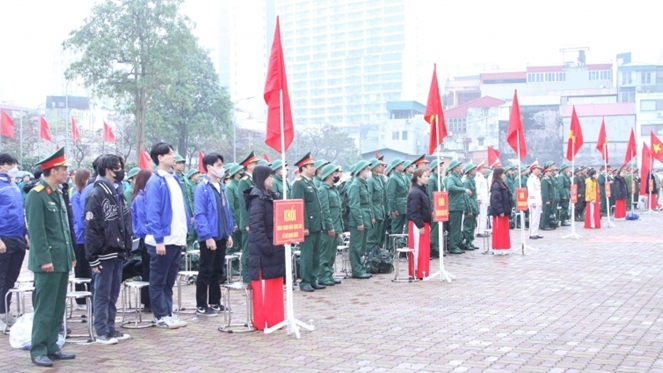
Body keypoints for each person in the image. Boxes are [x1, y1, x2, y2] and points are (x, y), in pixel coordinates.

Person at [24, 148, 77, 367]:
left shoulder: (56, 193)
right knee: (45, 307)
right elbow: (36, 232)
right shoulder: (36, 195)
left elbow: (64, 229)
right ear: (53, 171)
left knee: (57, 306)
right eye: (64, 169)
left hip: (62, 259)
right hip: (47, 261)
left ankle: (52, 345)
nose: (67, 172)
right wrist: (45, 259)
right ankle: (38, 349)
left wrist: (71, 255)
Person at [84, 154, 133, 344]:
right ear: (106, 169)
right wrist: (93, 257)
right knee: (102, 293)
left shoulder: (116, 191)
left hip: (118, 250)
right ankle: (102, 330)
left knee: (113, 293)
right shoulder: (96, 194)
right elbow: (91, 228)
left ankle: (111, 327)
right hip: (104, 253)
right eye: (117, 167)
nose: (120, 171)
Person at [144, 142, 188, 329]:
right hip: (162, 240)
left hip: (176, 238)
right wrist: (159, 239)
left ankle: (168, 312)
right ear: (160, 158)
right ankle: (160, 315)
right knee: (159, 279)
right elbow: (153, 212)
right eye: (169, 154)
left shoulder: (174, 178)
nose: (173, 157)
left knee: (170, 280)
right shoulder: (155, 181)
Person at [242, 165, 285, 330]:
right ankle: (264, 321)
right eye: (269, 177)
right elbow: (256, 227)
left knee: (275, 287)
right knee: (263, 288)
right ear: (261, 178)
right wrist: (267, 248)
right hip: (263, 251)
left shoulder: (272, 196)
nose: (272, 180)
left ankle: (276, 320)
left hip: (275, 247)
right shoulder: (257, 199)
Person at [194, 153, 234, 316]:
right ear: (209, 167)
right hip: (209, 236)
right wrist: (207, 236)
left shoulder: (221, 187)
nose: (221, 168)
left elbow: (226, 211)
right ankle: (201, 304)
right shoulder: (202, 188)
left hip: (222, 234)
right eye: (218, 165)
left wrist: (228, 232)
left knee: (217, 270)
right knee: (206, 270)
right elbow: (200, 214)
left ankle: (215, 301)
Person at [0, 153, 29, 329]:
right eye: (9, 164)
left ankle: (5, 311)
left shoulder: (14, 186)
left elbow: (19, 211)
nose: (13, 168)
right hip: (4, 237)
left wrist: (25, 233)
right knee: (1, 277)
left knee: (11, 277)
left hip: (18, 236)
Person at [291, 153, 326, 290]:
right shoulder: (299, 184)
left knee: (316, 254)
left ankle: (313, 279)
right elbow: (299, 206)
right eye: (311, 166)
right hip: (308, 225)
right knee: (307, 255)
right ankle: (305, 281)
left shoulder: (311, 182)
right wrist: (303, 226)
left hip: (316, 224)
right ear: (303, 167)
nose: (314, 168)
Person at [347, 160, 374, 279]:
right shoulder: (355, 185)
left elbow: (368, 202)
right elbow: (354, 205)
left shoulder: (364, 183)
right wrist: (359, 221)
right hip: (358, 219)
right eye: (367, 169)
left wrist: (371, 216)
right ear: (361, 171)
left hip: (366, 217)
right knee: (356, 246)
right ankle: (356, 270)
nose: (369, 171)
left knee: (362, 246)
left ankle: (361, 267)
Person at [318, 164, 343, 286]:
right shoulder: (323, 190)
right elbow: (325, 210)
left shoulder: (333, 189)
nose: (337, 175)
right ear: (329, 175)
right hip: (329, 227)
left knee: (332, 253)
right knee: (325, 253)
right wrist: (330, 226)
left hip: (336, 224)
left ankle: (329, 274)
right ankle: (323, 276)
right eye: (335, 173)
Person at [70, 168, 92, 310]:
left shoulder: (87, 193)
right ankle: (80, 299)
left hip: (88, 238)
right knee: (80, 269)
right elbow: (79, 218)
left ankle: (88, 296)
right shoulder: (76, 195)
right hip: (80, 238)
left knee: (89, 269)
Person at [131, 169, 152, 312]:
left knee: (150, 270)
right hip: (146, 239)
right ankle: (147, 301)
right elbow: (141, 222)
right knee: (148, 270)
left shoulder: (146, 196)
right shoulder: (140, 198)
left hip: (150, 238)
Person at [237, 152, 259, 284]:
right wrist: (246, 222)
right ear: (249, 165)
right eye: (255, 163)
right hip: (248, 222)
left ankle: (253, 277)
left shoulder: (254, 180)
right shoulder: (244, 182)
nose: (257, 166)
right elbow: (243, 204)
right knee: (247, 252)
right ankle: (247, 278)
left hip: (255, 221)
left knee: (254, 251)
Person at [406, 169, 431, 279]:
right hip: (417, 224)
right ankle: (416, 271)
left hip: (423, 223)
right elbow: (414, 211)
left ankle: (422, 271)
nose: (427, 178)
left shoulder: (422, 190)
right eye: (425, 176)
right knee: (417, 248)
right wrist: (420, 225)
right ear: (418, 178)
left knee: (423, 249)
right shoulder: (415, 192)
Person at [446, 160, 468, 254]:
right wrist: (463, 189)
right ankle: (453, 246)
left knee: (458, 227)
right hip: (454, 206)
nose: (460, 168)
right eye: (458, 166)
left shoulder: (457, 177)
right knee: (454, 227)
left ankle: (456, 245)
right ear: (454, 168)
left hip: (458, 205)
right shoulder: (451, 177)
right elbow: (450, 187)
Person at [489, 167, 512, 254]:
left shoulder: (502, 184)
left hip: (504, 210)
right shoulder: (496, 185)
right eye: (503, 173)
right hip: (499, 212)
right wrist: (500, 211)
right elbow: (495, 200)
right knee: (499, 230)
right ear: (499, 174)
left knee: (504, 230)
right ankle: (498, 248)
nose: (504, 175)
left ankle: (504, 247)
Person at [366, 159, 386, 259]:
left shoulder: (379, 179)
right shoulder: (370, 181)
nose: (381, 167)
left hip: (380, 211)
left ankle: (377, 257)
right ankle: (371, 258)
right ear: (373, 167)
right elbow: (369, 199)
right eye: (379, 166)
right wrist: (372, 215)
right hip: (374, 210)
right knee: (372, 237)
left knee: (379, 237)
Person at [426, 160, 444, 257]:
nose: (442, 168)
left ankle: (437, 247)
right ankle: (433, 248)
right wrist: (432, 209)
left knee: (438, 228)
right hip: (434, 207)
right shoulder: (432, 179)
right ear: (436, 167)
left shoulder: (439, 178)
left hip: (440, 206)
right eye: (440, 166)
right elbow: (430, 195)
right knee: (434, 229)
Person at [386, 158, 407, 236]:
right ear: (396, 166)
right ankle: (393, 247)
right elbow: (391, 196)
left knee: (402, 229)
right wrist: (393, 210)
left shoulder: (400, 177)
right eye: (401, 164)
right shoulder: (393, 178)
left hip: (403, 206)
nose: (402, 166)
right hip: (397, 207)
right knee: (396, 229)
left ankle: (400, 245)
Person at [461, 163, 479, 251]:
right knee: (468, 225)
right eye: (474, 169)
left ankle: (470, 241)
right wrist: (469, 209)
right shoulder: (466, 181)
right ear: (469, 171)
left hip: (474, 203)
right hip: (470, 204)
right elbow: (466, 196)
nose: (475, 171)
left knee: (472, 225)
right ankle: (466, 242)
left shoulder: (472, 180)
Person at [527, 161, 543, 239]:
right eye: (537, 169)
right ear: (533, 169)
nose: (539, 170)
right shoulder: (531, 179)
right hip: (534, 201)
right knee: (533, 218)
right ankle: (532, 233)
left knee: (537, 218)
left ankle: (535, 232)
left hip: (538, 200)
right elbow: (531, 191)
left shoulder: (536, 178)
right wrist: (533, 201)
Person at [475, 162, 489, 237]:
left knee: (484, 215)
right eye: (484, 168)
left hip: (484, 198)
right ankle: (480, 231)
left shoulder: (482, 177)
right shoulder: (478, 177)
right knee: (481, 215)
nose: (485, 169)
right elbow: (477, 188)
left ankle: (482, 230)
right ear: (480, 169)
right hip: (481, 199)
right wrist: (479, 198)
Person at [540, 164, 555, 231]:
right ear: (546, 172)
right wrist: (546, 200)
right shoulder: (544, 180)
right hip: (547, 199)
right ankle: (543, 225)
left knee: (548, 212)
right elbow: (545, 191)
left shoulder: (549, 179)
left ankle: (547, 224)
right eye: (549, 172)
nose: (550, 173)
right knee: (545, 212)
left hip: (550, 198)